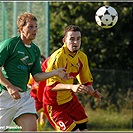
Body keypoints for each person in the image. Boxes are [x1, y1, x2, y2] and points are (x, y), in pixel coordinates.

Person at [0, 12, 71, 131]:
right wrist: (10, 86)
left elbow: (37, 76)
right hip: (4, 97)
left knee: (32, 130)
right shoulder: (10, 44)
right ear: (21, 29)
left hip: (23, 98)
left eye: (36, 26)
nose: (34, 30)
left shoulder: (35, 50)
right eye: (30, 26)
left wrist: (55, 72)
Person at [42, 25, 101, 131]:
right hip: (54, 104)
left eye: (78, 39)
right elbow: (51, 86)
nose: (75, 42)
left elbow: (86, 82)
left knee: (84, 130)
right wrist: (72, 87)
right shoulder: (58, 57)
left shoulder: (82, 57)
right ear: (64, 40)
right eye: (72, 39)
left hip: (70, 101)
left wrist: (92, 93)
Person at [28, 54, 46, 131]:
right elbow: (28, 84)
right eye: (39, 61)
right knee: (36, 116)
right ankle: (38, 129)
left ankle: (41, 127)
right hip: (35, 98)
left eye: (42, 61)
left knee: (44, 117)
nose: (41, 62)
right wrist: (31, 87)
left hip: (44, 97)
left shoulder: (46, 73)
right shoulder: (32, 74)